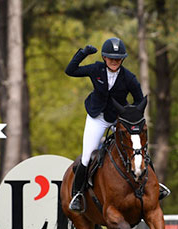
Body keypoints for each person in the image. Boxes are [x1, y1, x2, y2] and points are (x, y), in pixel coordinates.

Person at [65, 37, 170, 213]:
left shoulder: (129, 77)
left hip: (118, 118)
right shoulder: (96, 69)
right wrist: (83, 53)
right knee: (87, 155)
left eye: (118, 59)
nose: (114, 62)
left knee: (138, 147)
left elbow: (139, 100)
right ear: (105, 58)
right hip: (96, 117)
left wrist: (131, 116)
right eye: (111, 58)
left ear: (122, 59)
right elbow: (71, 71)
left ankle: (156, 186)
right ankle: (78, 195)